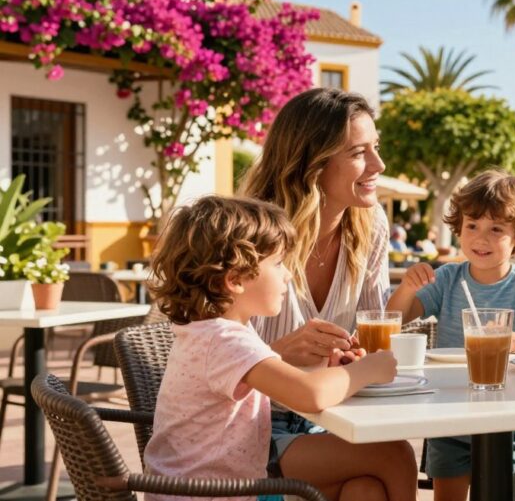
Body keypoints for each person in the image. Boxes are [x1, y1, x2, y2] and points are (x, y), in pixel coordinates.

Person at [144, 195, 408, 501]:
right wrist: (368, 369)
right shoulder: (224, 340)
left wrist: (331, 371)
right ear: (234, 280)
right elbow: (311, 394)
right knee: (393, 453)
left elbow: (288, 382)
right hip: (211, 495)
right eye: (279, 263)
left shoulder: (214, 332)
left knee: (364, 490)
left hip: (223, 488)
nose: (288, 273)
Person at [238, 88, 417, 500]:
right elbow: (210, 352)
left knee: (366, 490)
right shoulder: (251, 233)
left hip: (327, 417)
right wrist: (280, 353)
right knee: (394, 457)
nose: (378, 165)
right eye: (358, 153)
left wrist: (353, 354)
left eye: (376, 147)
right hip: (247, 430)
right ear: (311, 162)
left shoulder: (369, 224)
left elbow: (373, 332)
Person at [388, 170, 515, 501]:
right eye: (472, 226)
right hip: (451, 412)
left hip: (509, 422)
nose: (480, 238)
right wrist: (407, 288)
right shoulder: (447, 278)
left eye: (496, 229)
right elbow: (398, 318)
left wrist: (513, 341)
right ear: (459, 228)